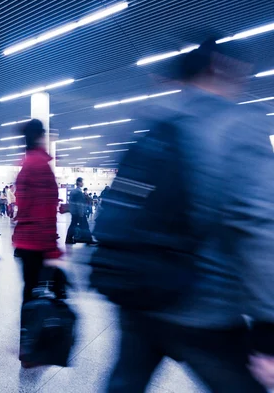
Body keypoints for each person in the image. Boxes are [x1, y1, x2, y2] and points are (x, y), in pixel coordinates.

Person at [100, 38, 274, 392]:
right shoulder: (236, 125)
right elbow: (259, 228)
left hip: (136, 291)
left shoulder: (154, 123)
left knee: (124, 383)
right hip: (203, 304)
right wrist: (269, 326)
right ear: (218, 66)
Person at [12, 119, 66, 366]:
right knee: (46, 293)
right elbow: (44, 210)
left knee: (30, 293)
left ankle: (28, 344)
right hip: (38, 242)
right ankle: (35, 345)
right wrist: (52, 248)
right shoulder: (39, 165)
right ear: (40, 137)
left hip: (26, 240)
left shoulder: (26, 164)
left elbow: (24, 206)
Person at [65, 177, 92, 244]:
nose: (83, 183)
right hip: (78, 212)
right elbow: (79, 204)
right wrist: (81, 213)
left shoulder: (74, 191)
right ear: (79, 182)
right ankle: (88, 239)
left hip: (74, 211)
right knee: (84, 226)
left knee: (73, 225)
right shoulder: (78, 192)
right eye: (82, 182)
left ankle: (69, 239)